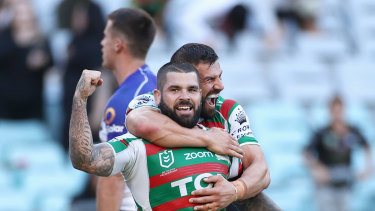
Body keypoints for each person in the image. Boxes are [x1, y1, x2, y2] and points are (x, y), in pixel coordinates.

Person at [69, 63, 243, 210]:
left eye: (192, 90)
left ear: (200, 94)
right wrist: (80, 99)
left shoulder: (222, 139)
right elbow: (84, 159)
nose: (185, 97)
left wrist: (236, 190)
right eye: (174, 90)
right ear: (157, 97)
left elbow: (256, 188)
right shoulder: (137, 146)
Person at [126, 43, 270, 210]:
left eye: (219, 77)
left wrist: (235, 189)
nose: (220, 86)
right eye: (209, 79)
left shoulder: (228, 110)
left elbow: (261, 169)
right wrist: (208, 138)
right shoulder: (151, 101)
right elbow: (140, 123)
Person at [95, 8, 157, 211]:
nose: (102, 43)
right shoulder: (154, 85)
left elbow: (113, 178)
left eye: (105, 36)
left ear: (117, 44)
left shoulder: (128, 100)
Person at [304, 96, 373, 211]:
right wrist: (317, 168)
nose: (337, 115)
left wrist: (368, 168)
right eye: (334, 111)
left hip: (345, 185)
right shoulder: (322, 133)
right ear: (329, 111)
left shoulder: (352, 131)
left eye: (339, 111)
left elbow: (367, 146)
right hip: (325, 187)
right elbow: (306, 153)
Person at [0, 0, 53, 120]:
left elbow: (52, 63)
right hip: (5, 106)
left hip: (32, 107)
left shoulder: (41, 39)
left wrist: (42, 61)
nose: (24, 17)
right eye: (20, 13)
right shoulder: (4, 36)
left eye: (27, 13)